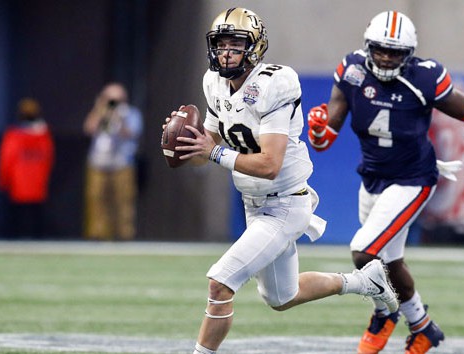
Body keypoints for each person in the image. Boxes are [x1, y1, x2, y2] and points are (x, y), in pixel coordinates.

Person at [165, 8, 399, 354]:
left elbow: (269, 164)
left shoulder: (275, 83)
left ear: (255, 48)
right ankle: (364, 281)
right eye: (220, 44)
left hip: (285, 202)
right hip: (254, 204)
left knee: (220, 283)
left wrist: (213, 152)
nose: (226, 52)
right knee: (281, 297)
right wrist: (184, 146)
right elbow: (206, 152)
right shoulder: (213, 82)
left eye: (235, 44)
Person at [307, 11, 464, 354]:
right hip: (373, 178)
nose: (385, 57)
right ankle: (424, 328)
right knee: (389, 264)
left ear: (409, 54)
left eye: (395, 52)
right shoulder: (351, 71)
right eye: (380, 49)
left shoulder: (425, 78)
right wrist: (319, 130)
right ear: (368, 46)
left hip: (413, 178)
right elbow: (324, 140)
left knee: (364, 251)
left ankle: (383, 313)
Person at [83, 82, 143, 241]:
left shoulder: (130, 114)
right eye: (110, 99)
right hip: (98, 163)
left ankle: (124, 235)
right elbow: (89, 129)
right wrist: (99, 110)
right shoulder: (99, 112)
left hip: (122, 163)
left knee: (123, 201)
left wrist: (119, 117)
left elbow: (132, 133)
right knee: (97, 199)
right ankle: (98, 235)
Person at [0, 98, 55, 239]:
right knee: (35, 221)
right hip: (36, 185)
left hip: (18, 185)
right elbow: (49, 160)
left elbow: (6, 160)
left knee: (17, 223)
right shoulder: (45, 136)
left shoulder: (14, 136)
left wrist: (3, 182)